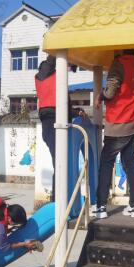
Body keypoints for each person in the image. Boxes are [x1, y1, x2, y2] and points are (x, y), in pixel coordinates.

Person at [94, 49, 134, 219]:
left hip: (117, 123)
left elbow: (110, 92)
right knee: (130, 164)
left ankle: (101, 207)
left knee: (106, 164)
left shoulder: (118, 64)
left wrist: (100, 96)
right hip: (133, 123)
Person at [35, 55, 84, 202]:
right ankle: (57, 200)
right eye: (68, 66)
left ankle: (63, 198)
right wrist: (58, 52)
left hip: (59, 121)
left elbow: (63, 107)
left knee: (63, 162)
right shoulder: (44, 72)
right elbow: (49, 62)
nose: (68, 70)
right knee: (59, 162)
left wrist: (76, 112)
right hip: (51, 123)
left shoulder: (58, 79)